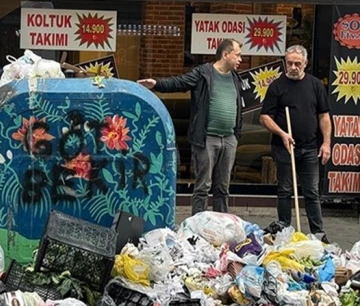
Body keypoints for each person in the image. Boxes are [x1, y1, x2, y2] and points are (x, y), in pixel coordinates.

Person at [138, 39, 243, 215]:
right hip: (207, 138)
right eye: (238, 54)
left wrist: (236, 134)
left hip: (229, 138)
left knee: (223, 188)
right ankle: (198, 227)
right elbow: (180, 82)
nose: (240, 59)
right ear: (226, 54)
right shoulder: (204, 73)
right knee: (203, 186)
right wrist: (156, 84)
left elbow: (238, 107)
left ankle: (222, 226)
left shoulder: (235, 78)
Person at [259, 45, 331, 237]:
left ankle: (318, 232)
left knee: (312, 192)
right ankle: (284, 228)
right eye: (289, 63)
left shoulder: (315, 85)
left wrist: (326, 143)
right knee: (284, 189)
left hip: (310, 148)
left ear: (305, 64)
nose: (292, 67)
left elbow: (323, 116)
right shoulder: (277, 86)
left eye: (297, 63)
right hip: (284, 147)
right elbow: (265, 117)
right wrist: (282, 133)